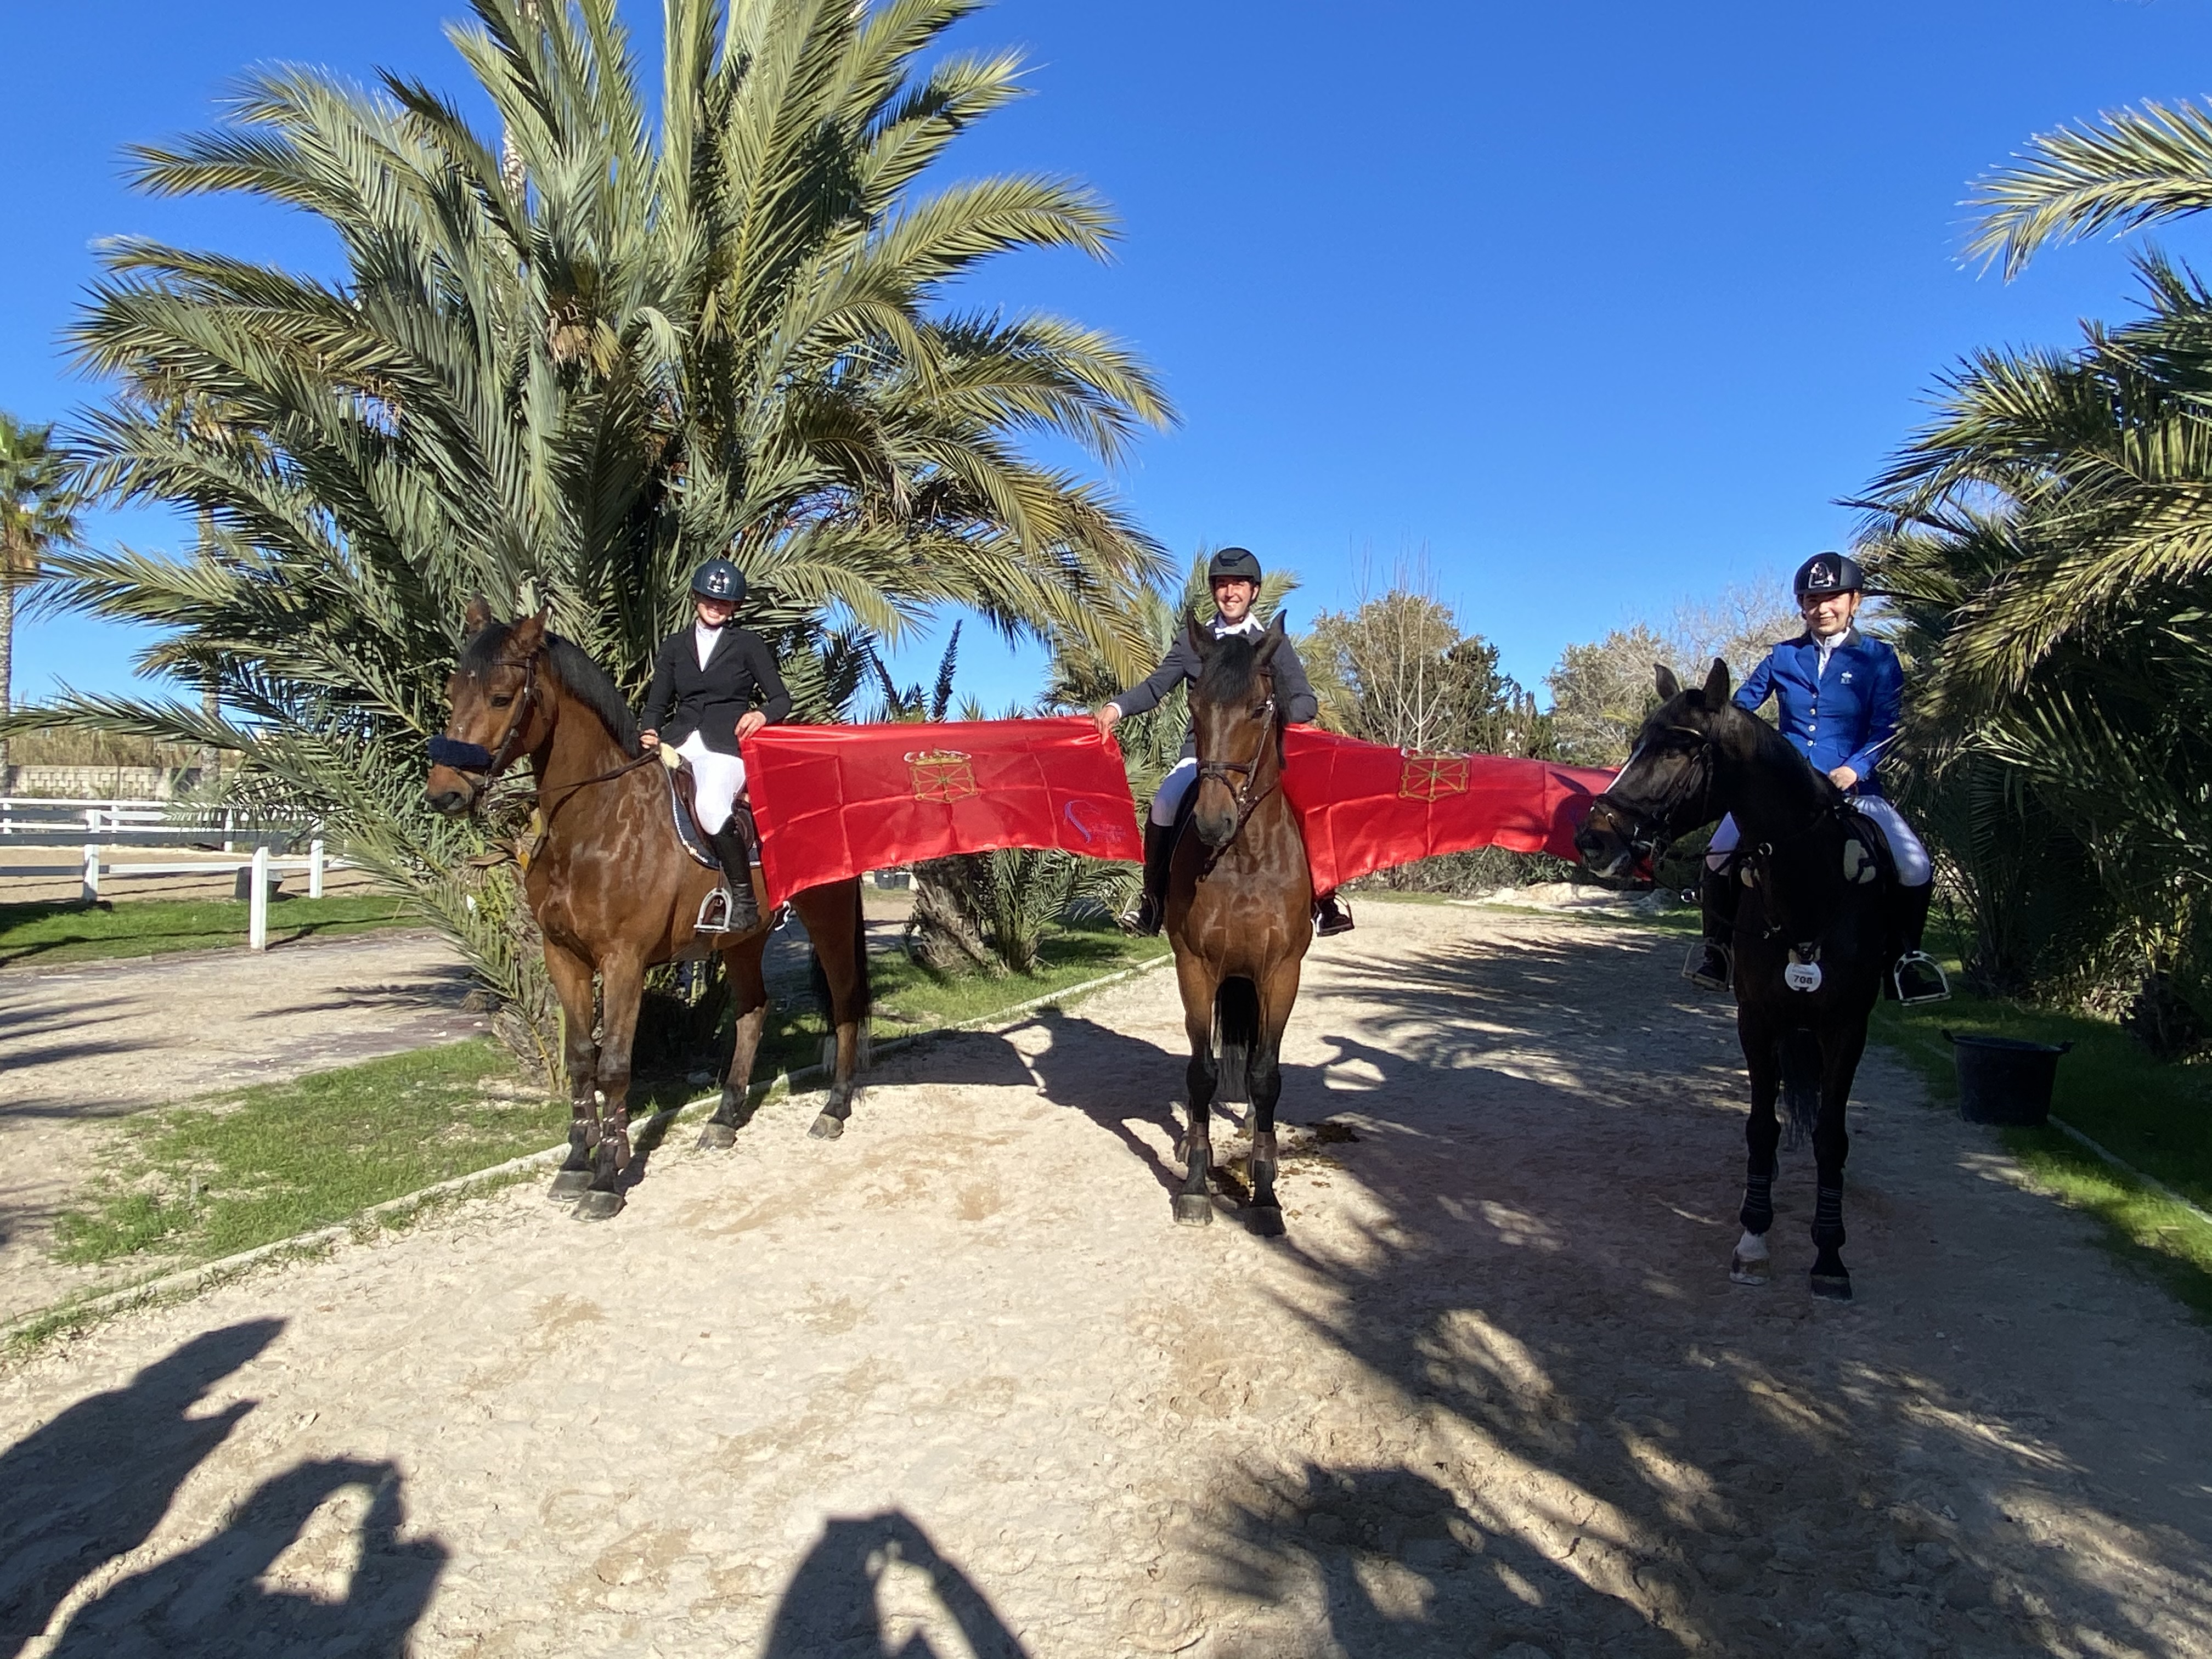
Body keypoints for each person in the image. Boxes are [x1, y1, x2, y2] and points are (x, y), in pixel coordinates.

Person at [1688, 550, 1949, 1003]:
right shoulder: (1782, 656)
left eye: (1831, 598)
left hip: (1854, 790)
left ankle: (1906, 961)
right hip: (1782, 792)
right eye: (1811, 599)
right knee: (1716, 855)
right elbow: (1741, 709)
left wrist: (1855, 768)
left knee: (1915, 865)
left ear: (1854, 601)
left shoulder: (1879, 659)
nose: (1821, 608)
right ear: (1802, 605)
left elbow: (1887, 729)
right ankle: (1718, 951)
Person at [1091, 546, 1354, 937]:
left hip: (1262, 758)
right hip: (1204, 756)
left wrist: (1272, 716)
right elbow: (1155, 687)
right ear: (1214, 590)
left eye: (1238, 585)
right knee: (1164, 803)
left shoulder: (1270, 644)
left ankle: (1324, 901)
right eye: (1222, 585)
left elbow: (1305, 700)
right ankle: (1153, 901)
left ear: (1254, 591)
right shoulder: (1193, 642)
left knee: (1305, 806)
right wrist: (1116, 708)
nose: (1230, 593)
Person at [640, 557, 791, 933]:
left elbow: (781, 699)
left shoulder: (748, 645)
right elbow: (658, 702)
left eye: (724, 602)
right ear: (697, 598)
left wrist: (761, 715)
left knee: (709, 805)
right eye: (710, 598)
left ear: (734, 607)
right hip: (679, 740)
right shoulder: (675, 646)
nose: (715, 606)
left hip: (725, 747)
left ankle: (745, 899)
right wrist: (649, 730)